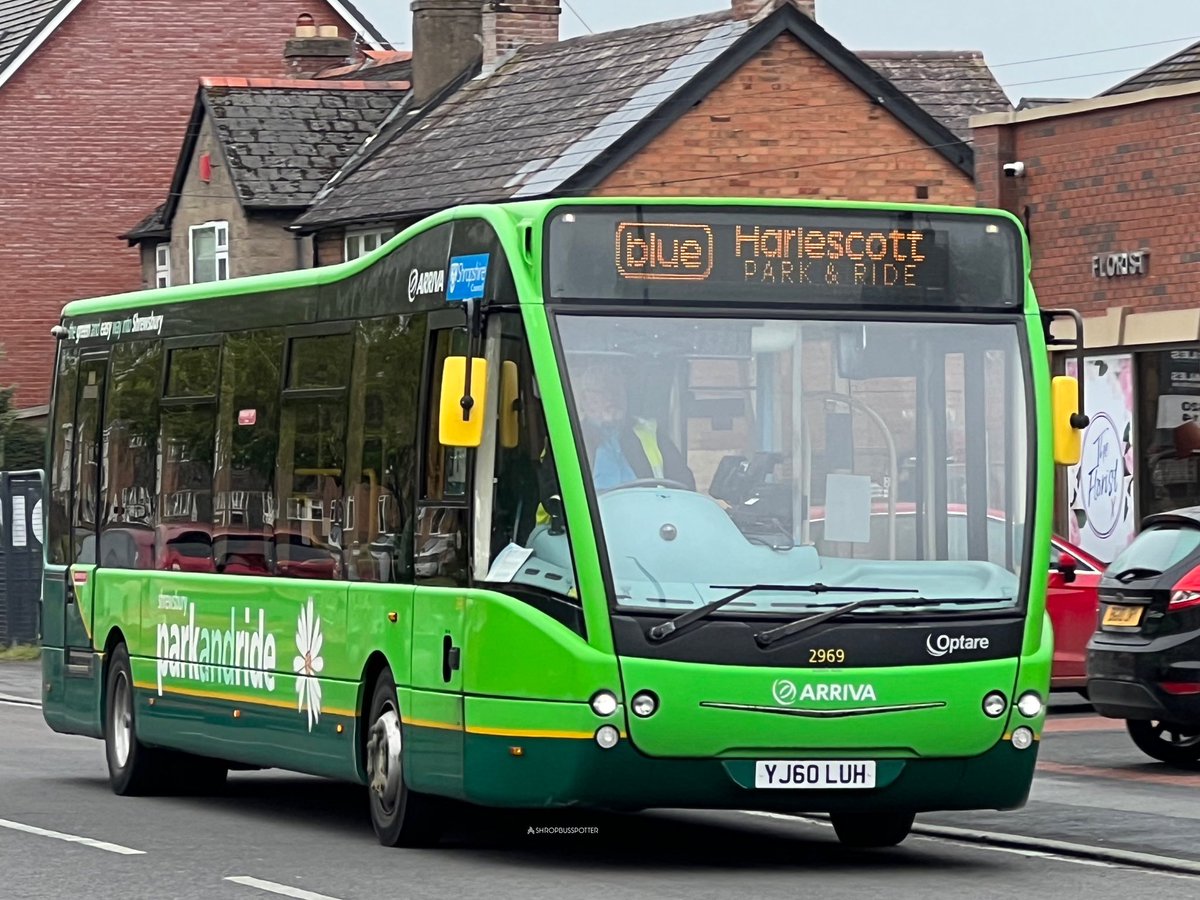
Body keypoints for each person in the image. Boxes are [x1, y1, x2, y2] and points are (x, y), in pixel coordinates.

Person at [573, 359, 695, 492]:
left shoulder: (651, 433)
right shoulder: (572, 437)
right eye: (604, 390)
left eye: (618, 390)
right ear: (584, 399)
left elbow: (684, 485)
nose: (612, 397)